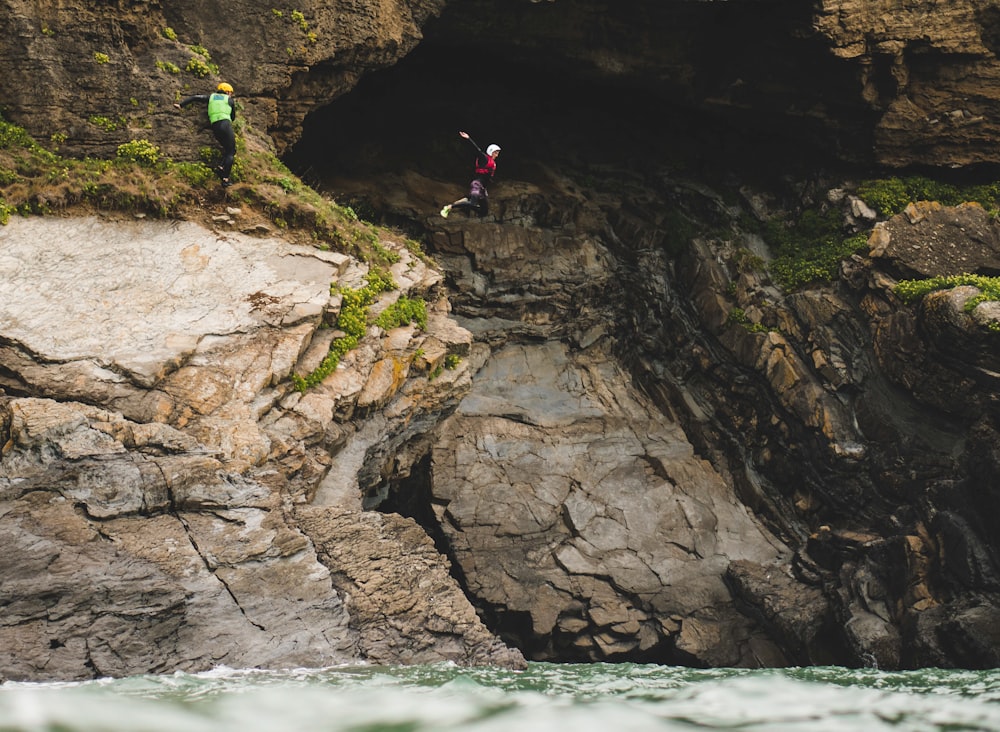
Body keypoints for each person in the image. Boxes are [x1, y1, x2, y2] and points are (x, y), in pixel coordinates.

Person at [175, 82, 237, 187]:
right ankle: (225, 179)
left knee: (226, 149)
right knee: (231, 151)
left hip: (215, 126)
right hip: (225, 124)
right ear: (226, 91)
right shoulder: (229, 100)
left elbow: (195, 97)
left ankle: (222, 167)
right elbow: (233, 116)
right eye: (230, 92)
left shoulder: (211, 97)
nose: (231, 95)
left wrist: (181, 105)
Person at [440, 131, 501, 218]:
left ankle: (466, 201)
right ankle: (449, 207)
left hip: (482, 189)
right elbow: (477, 150)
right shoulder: (484, 158)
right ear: (491, 152)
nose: (497, 155)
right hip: (477, 185)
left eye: (498, 153)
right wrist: (468, 138)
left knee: (484, 212)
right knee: (473, 203)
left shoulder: (492, 163)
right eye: (496, 153)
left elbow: (487, 176)